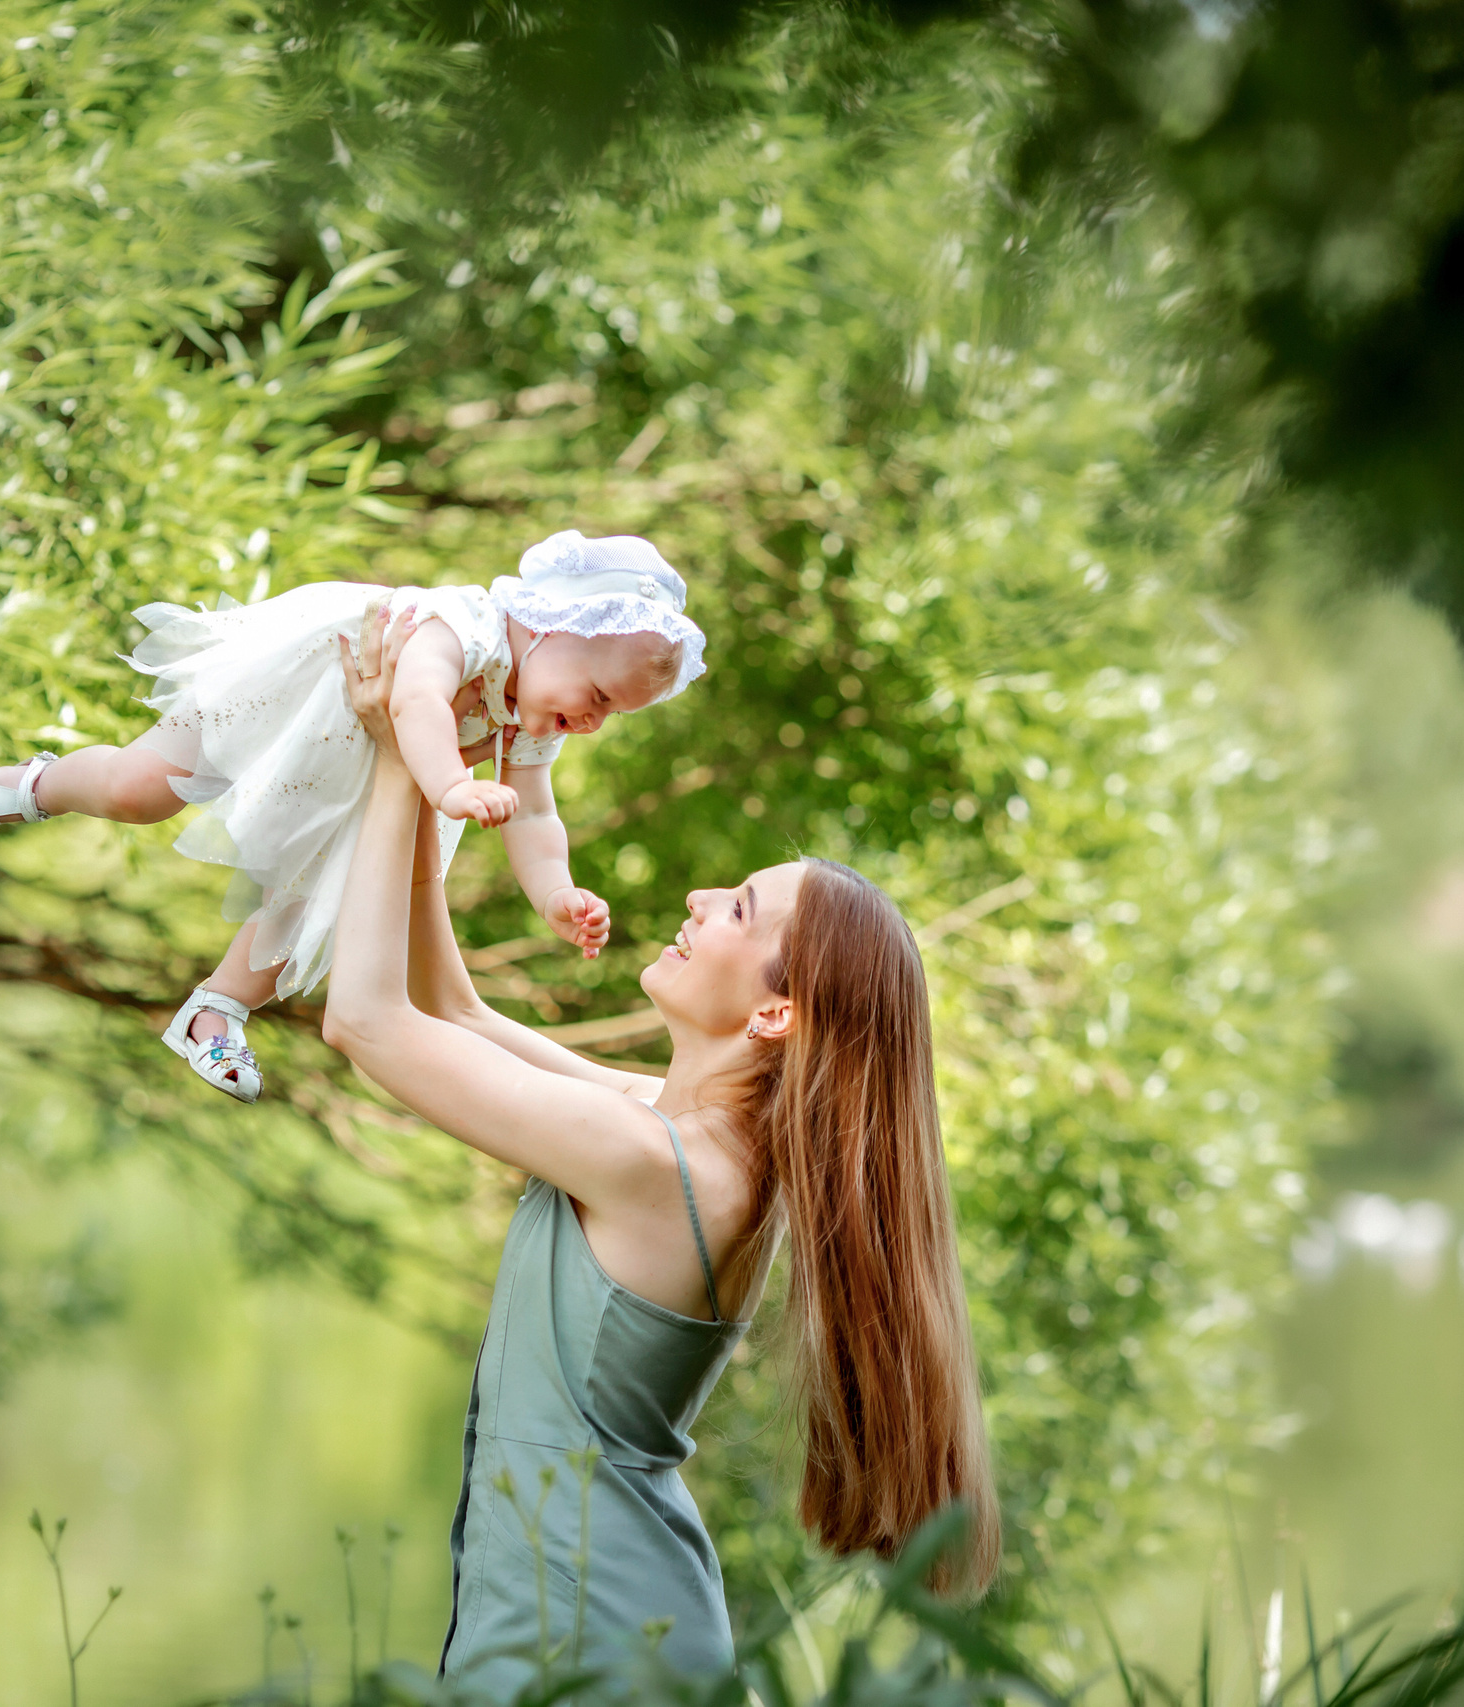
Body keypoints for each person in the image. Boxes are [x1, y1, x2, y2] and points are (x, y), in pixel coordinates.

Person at [319, 602, 998, 1693]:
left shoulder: (650, 1165)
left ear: (776, 1016)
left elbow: (366, 1021)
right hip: (600, 1622)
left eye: (736, 908)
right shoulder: (671, 1135)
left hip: (589, 1638)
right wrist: (423, 744)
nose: (695, 899)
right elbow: (452, 1011)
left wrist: (404, 765)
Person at [0, 531, 705, 1104]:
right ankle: (34, 784)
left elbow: (536, 816)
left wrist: (556, 894)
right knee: (138, 787)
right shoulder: (467, 627)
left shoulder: (532, 720)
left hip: (362, 780)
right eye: (597, 695)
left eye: (612, 716)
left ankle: (217, 1008)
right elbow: (416, 697)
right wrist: (450, 786)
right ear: (553, 626)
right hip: (292, 703)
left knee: (319, 898)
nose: (592, 720)